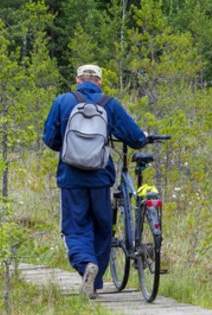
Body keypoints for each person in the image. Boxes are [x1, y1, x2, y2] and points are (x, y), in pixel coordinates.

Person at [43, 64, 147, 299]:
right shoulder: (109, 104)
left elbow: (49, 138)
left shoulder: (63, 101)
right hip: (100, 177)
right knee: (102, 227)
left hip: (71, 177)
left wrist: (70, 151)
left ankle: (86, 264)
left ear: (77, 80)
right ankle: (96, 281)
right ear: (99, 81)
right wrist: (143, 140)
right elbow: (134, 137)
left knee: (75, 227)